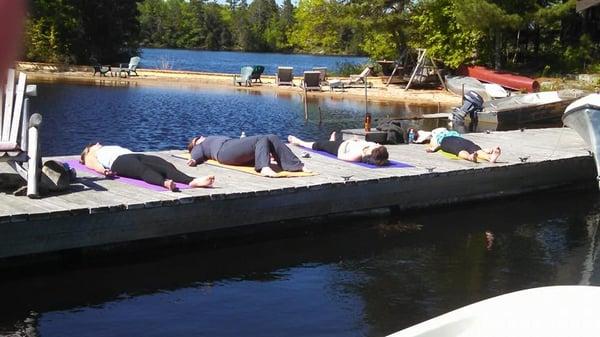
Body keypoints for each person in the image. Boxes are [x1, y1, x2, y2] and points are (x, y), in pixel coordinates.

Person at [80, 143, 215, 191]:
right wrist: (103, 171)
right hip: (118, 162)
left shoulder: (104, 147)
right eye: (94, 145)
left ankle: (191, 180)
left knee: (165, 165)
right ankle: (164, 183)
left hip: (134, 155)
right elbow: (92, 164)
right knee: (142, 170)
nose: (98, 144)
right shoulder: (90, 153)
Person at [186, 134, 309, 177]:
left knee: (271, 137)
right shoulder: (201, 145)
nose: (201, 137)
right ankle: (264, 168)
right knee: (261, 139)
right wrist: (193, 159)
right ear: (195, 143)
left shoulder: (208, 140)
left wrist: (264, 152)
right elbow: (196, 153)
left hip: (231, 147)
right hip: (224, 152)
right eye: (197, 138)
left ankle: (295, 165)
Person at [287, 131, 389, 166]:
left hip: (339, 148)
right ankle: (331, 141)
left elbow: (340, 156)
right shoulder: (373, 146)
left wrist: (352, 143)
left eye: (377, 145)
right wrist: (356, 141)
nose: (377, 143)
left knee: (319, 145)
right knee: (324, 143)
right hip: (346, 143)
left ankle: (299, 142)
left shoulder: (357, 155)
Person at [424, 128, 501, 163]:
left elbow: (437, 144)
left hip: (447, 141)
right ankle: (489, 158)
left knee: (459, 149)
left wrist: (433, 149)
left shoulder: (436, 137)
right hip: (460, 139)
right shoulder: (452, 132)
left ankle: (470, 157)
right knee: (473, 147)